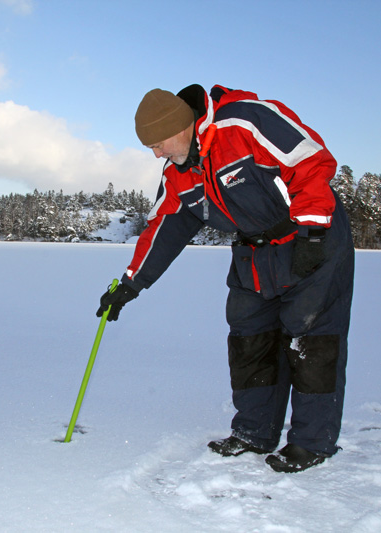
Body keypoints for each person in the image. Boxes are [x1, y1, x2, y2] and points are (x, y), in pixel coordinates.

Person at [96, 84, 355, 473]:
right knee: (249, 340)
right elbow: (163, 228)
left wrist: (313, 231)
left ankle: (312, 442)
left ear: (180, 124)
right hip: (253, 253)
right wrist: (130, 284)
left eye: (159, 142)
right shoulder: (180, 174)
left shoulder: (244, 122)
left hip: (308, 238)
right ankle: (254, 432)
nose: (156, 153)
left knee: (310, 342)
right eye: (150, 147)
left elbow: (311, 161)